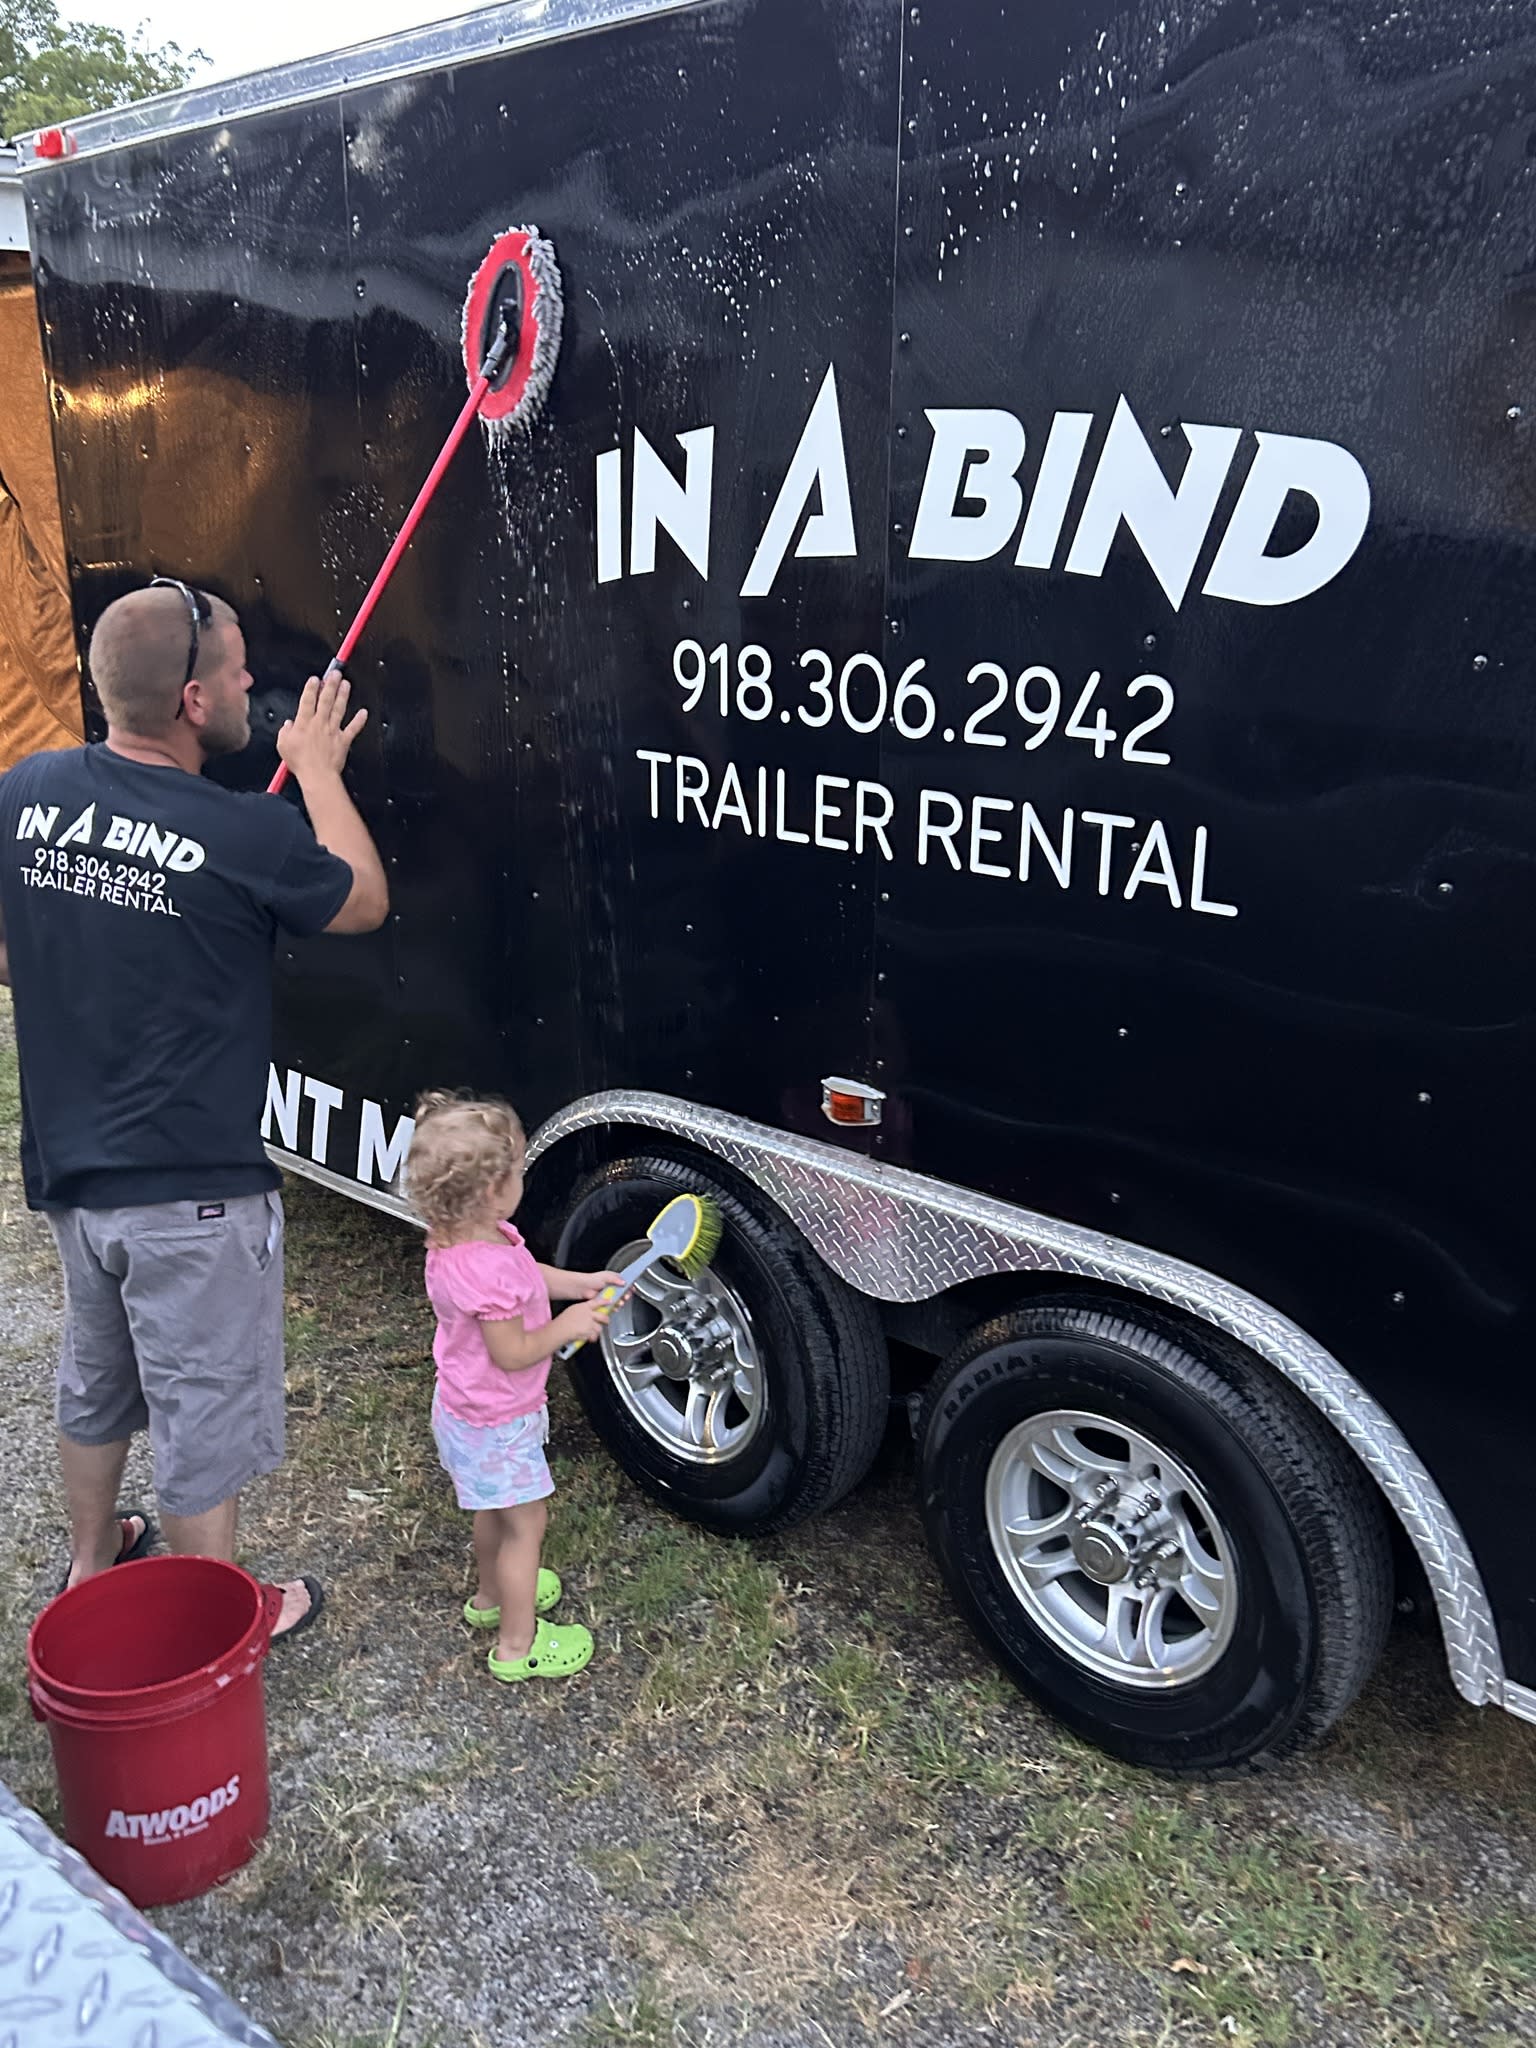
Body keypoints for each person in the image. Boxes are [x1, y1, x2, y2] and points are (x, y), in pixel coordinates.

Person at [0, 578, 389, 1640]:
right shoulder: (243, 831)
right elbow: (360, 895)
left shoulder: (24, 793)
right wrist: (314, 770)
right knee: (200, 1416)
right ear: (189, 701)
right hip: (197, 1199)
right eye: (232, 668)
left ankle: (88, 1567)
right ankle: (211, 1623)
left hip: (76, 1181)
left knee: (97, 1378)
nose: (250, 679)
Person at [406, 1091, 621, 1682]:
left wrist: (577, 1285)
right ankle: (517, 1645)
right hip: (498, 1421)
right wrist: (568, 1326)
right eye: (519, 1169)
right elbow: (513, 1352)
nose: (524, 1176)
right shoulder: (484, 1267)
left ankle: (490, 1598)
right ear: (490, 1190)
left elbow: (526, 1277)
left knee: (492, 1512)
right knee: (527, 1527)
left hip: (465, 1411)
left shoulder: (466, 1242)